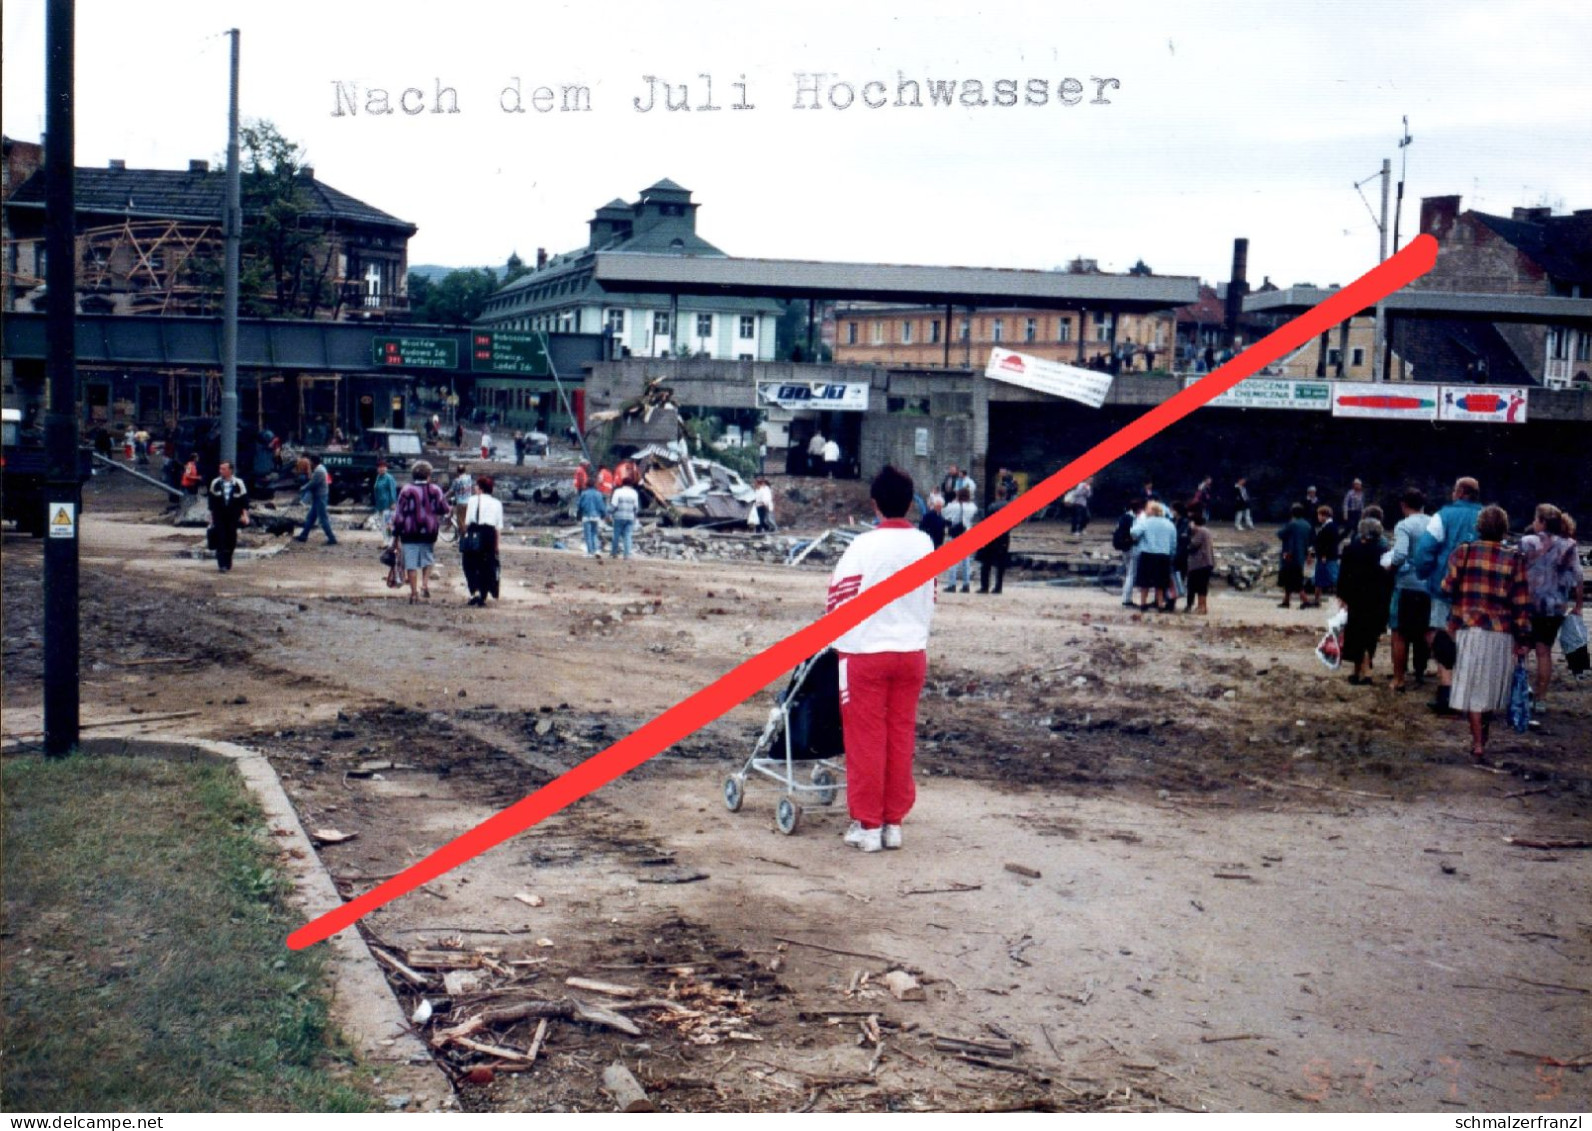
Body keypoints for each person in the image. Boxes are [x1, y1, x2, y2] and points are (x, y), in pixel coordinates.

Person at [826, 465, 936, 853]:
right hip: (910, 653)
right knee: (900, 736)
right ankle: (893, 823)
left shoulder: (862, 546)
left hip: (865, 654)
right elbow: (931, 596)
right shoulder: (925, 544)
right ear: (910, 504)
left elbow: (838, 598)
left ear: (874, 505)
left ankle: (868, 825)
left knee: (865, 739)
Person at [1440, 505, 1532, 764]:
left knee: (1472, 686)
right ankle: (1484, 736)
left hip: (1469, 629)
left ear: (1478, 526)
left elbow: (1447, 587)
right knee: (1491, 688)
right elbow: (1521, 603)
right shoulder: (1515, 558)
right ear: (1504, 528)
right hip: (1501, 632)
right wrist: (1523, 638)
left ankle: (1477, 741)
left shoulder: (1463, 552)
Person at [1414, 477, 1485, 715]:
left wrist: (1425, 572)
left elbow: (1425, 549)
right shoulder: (1487, 516)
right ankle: (1468, 689)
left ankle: (1447, 689)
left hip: (1446, 587)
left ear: (1460, 492)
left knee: (1441, 635)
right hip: (1478, 590)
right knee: (1471, 637)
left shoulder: (1442, 516)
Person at [1518, 504, 1582, 715]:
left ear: (1542, 522)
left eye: (1536, 519)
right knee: (1544, 652)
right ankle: (1540, 699)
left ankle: (1521, 691)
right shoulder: (1569, 545)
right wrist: (1578, 604)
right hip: (1554, 607)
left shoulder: (1527, 542)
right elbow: (1577, 576)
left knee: (1522, 650)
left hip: (1527, 605)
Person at [1383, 488, 1433, 693]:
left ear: (1404, 505)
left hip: (1407, 583)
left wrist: (1391, 568)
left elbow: (1401, 553)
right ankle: (1420, 671)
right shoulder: (1435, 523)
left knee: (1400, 633)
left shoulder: (1404, 525)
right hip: (1428, 585)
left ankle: (1399, 679)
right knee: (1423, 631)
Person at [1337, 518, 1396, 685]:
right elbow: (1389, 578)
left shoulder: (1350, 549)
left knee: (1356, 634)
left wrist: (1342, 596)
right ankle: (1361, 669)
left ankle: (1363, 671)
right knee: (1370, 634)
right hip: (1377, 598)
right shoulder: (1384, 550)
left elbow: (1343, 575)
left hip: (1356, 597)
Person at [392, 460, 450, 603]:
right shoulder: (435, 490)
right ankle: (424, 585)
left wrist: (395, 535)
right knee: (427, 558)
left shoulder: (406, 490)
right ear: (429, 475)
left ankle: (413, 593)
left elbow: (399, 514)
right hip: (429, 531)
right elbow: (444, 509)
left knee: (411, 563)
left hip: (409, 531)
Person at [460, 476, 503, 607]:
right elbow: (498, 527)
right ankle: (483, 594)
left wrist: (464, 536)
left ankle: (475, 590)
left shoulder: (472, 500)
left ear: (481, 488)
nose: (474, 488)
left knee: (469, 563)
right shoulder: (497, 503)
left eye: (476, 486)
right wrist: (497, 545)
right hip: (488, 534)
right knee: (486, 564)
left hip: (474, 532)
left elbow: (467, 522)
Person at [1130, 500, 1178, 612]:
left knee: (1144, 582)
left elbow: (1134, 532)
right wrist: (1172, 554)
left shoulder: (1145, 522)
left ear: (1152, 511)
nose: (1145, 510)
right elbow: (1173, 542)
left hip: (1148, 554)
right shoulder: (1169, 524)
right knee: (1160, 583)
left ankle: (1143, 603)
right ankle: (1160, 603)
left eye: (1147, 508)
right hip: (1164, 555)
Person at [206, 460, 250, 573]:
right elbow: (211, 503)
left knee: (231, 540)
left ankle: (228, 560)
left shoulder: (238, 483)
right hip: (219, 516)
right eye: (220, 469)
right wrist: (211, 519)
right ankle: (222, 565)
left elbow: (244, 501)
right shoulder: (215, 483)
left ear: (230, 470)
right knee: (221, 539)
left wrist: (245, 516)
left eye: (224, 469)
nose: (221, 471)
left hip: (232, 516)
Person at [1276, 503, 1313, 608]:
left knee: (1294, 579)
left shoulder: (1292, 524)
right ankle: (1286, 600)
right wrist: (1310, 556)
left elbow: (1280, 534)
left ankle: (1305, 600)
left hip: (1289, 555)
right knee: (1292, 578)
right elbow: (1310, 542)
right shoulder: (1307, 525)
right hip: (1301, 556)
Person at [942, 486, 978, 593]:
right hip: (967, 533)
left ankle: (952, 584)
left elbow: (944, 513)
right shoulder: (972, 506)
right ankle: (966, 584)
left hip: (956, 534)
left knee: (953, 560)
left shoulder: (953, 506)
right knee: (966, 561)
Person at [294, 455, 337, 545]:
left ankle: (332, 538)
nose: (309, 463)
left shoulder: (319, 471)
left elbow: (312, 483)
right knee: (311, 517)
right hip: (319, 496)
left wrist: (303, 488)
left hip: (320, 497)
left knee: (323, 519)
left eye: (310, 461)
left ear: (313, 462)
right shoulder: (321, 469)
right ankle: (303, 536)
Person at [1114, 497, 1146, 607]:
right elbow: (1135, 534)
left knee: (1129, 573)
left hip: (1124, 548)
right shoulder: (1134, 519)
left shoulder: (1123, 517)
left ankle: (1126, 597)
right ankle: (1126, 599)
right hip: (1132, 547)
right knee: (1131, 574)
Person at [976, 494, 1011, 595]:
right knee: (1001, 563)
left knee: (986, 562)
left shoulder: (992, 506)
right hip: (1004, 537)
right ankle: (998, 586)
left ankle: (985, 586)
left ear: (997, 494)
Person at [1310, 504, 1343, 604]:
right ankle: (1316, 600)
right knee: (1319, 578)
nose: (1318, 517)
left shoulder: (1330, 527)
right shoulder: (1327, 526)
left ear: (1324, 515)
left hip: (1327, 557)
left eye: (1319, 515)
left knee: (1334, 577)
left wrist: (1324, 555)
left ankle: (1344, 599)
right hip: (1323, 556)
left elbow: (1329, 543)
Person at [1185, 510, 1215, 614]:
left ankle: (1202, 607)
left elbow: (1193, 544)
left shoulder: (1200, 532)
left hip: (1199, 563)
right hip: (1207, 562)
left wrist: (1188, 540)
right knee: (1202, 586)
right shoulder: (1207, 531)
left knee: (1198, 586)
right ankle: (1202, 606)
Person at [609, 476, 640, 559]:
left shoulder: (618, 492)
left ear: (622, 483)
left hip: (618, 517)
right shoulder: (634, 493)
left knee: (616, 535)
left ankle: (614, 553)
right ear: (631, 484)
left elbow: (614, 505)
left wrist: (609, 513)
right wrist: (635, 517)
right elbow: (636, 507)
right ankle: (627, 554)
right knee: (627, 536)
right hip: (630, 517)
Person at [576, 475, 607, 556]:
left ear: (587, 484)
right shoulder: (598, 494)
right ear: (594, 485)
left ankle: (590, 552)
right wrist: (604, 515)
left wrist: (578, 515)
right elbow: (601, 506)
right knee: (594, 533)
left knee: (588, 535)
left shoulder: (584, 494)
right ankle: (596, 550)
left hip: (586, 516)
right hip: (596, 516)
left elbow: (579, 505)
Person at [371, 459, 398, 532]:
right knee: (383, 523)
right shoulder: (378, 477)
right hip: (380, 505)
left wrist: (393, 502)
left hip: (388, 504)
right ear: (377, 469)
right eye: (380, 467)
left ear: (386, 468)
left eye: (384, 467)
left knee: (388, 523)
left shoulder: (389, 478)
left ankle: (388, 542)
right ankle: (387, 540)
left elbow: (393, 490)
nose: (382, 469)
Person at [448, 464, 475, 536]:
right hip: (469, 502)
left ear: (457, 471)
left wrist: (443, 497)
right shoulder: (469, 478)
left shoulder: (457, 481)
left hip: (461, 503)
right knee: (467, 521)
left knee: (461, 522)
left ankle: (462, 539)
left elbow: (451, 491)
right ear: (465, 470)